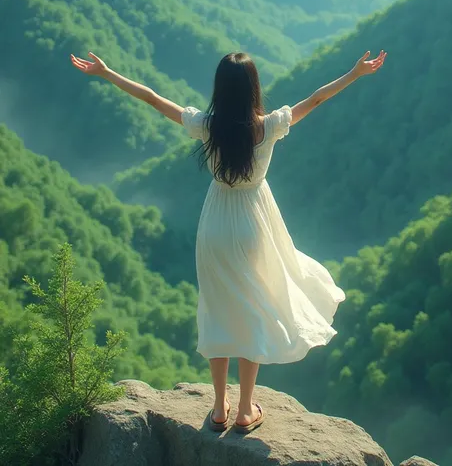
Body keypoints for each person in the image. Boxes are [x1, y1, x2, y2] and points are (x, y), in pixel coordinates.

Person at [70, 48, 386, 434]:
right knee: (253, 308)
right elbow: (317, 97)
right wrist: (354, 72)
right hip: (254, 224)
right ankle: (245, 410)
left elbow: (152, 98)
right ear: (254, 88)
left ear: (220, 88)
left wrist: (107, 72)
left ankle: (219, 407)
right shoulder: (269, 126)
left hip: (216, 224)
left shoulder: (207, 125)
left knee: (217, 309)